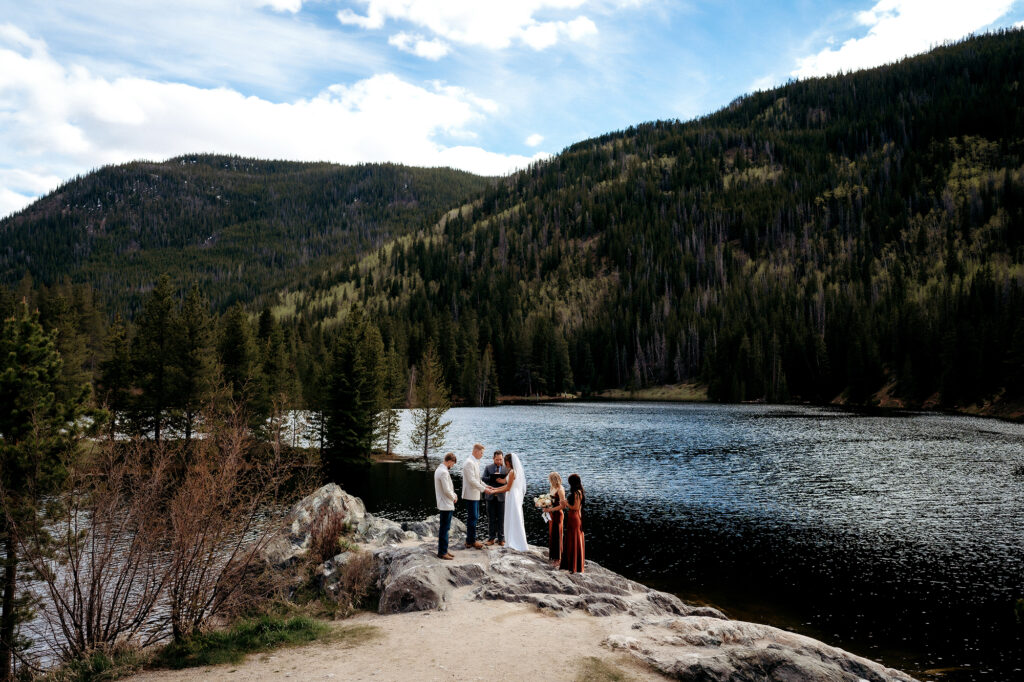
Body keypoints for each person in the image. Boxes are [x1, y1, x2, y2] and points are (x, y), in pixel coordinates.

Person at [489, 452, 528, 551]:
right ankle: (515, 539)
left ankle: (514, 541)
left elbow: (508, 488)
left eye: (506, 462)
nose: (505, 464)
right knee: (515, 517)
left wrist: (495, 490)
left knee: (513, 517)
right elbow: (507, 485)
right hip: (514, 495)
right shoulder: (515, 471)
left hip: (512, 496)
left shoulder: (512, 472)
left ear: (509, 462)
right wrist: (495, 489)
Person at [461, 443, 489, 549]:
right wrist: (484, 490)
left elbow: (478, 480)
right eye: (481, 453)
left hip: (475, 494)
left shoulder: (474, 462)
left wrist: (487, 487)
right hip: (470, 494)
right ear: (476, 451)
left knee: (474, 517)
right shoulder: (469, 462)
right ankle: (470, 541)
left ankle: (471, 540)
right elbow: (472, 481)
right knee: (473, 517)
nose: (482, 455)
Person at [434, 452, 458, 560]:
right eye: (452, 464)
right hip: (446, 503)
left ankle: (444, 549)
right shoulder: (443, 472)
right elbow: (446, 489)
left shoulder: (439, 469)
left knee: (444, 528)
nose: (452, 466)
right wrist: (453, 496)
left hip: (443, 502)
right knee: (445, 528)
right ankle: (442, 552)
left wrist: (453, 494)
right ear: (449, 461)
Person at [559, 473, 585, 573]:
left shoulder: (577, 493)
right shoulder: (578, 491)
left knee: (573, 539)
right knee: (571, 538)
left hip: (574, 517)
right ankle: (572, 564)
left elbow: (576, 507)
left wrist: (566, 504)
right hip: (574, 517)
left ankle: (573, 565)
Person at [483, 450, 507, 546]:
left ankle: (501, 539)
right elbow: (483, 479)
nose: (499, 461)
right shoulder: (488, 467)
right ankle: (491, 538)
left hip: (502, 497)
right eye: (497, 459)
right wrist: (492, 478)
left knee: (501, 518)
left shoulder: (506, 469)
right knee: (491, 518)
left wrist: (502, 480)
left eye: (500, 459)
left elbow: (509, 482)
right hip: (490, 496)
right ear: (493, 458)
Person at [541, 472, 565, 565]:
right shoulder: (552, 487)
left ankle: (558, 559)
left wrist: (550, 509)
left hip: (558, 514)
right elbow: (551, 500)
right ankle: (553, 556)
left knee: (557, 535)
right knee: (552, 534)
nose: (549, 481)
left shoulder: (560, 489)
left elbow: (562, 506)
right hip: (551, 514)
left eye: (550, 479)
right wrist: (543, 504)